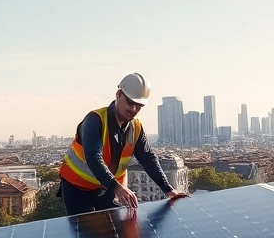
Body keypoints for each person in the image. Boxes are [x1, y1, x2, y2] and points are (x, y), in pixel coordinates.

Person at [59, 73, 189, 215]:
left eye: (139, 106)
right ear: (118, 94)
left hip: (108, 188)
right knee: (85, 233)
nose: (133, 110)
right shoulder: (95, 120)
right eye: (130, 103)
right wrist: (117, 187)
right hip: (78, 188)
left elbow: (147, 158)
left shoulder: (135, 128)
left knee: (113, 232)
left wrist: (168, 189)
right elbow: (93, 158)